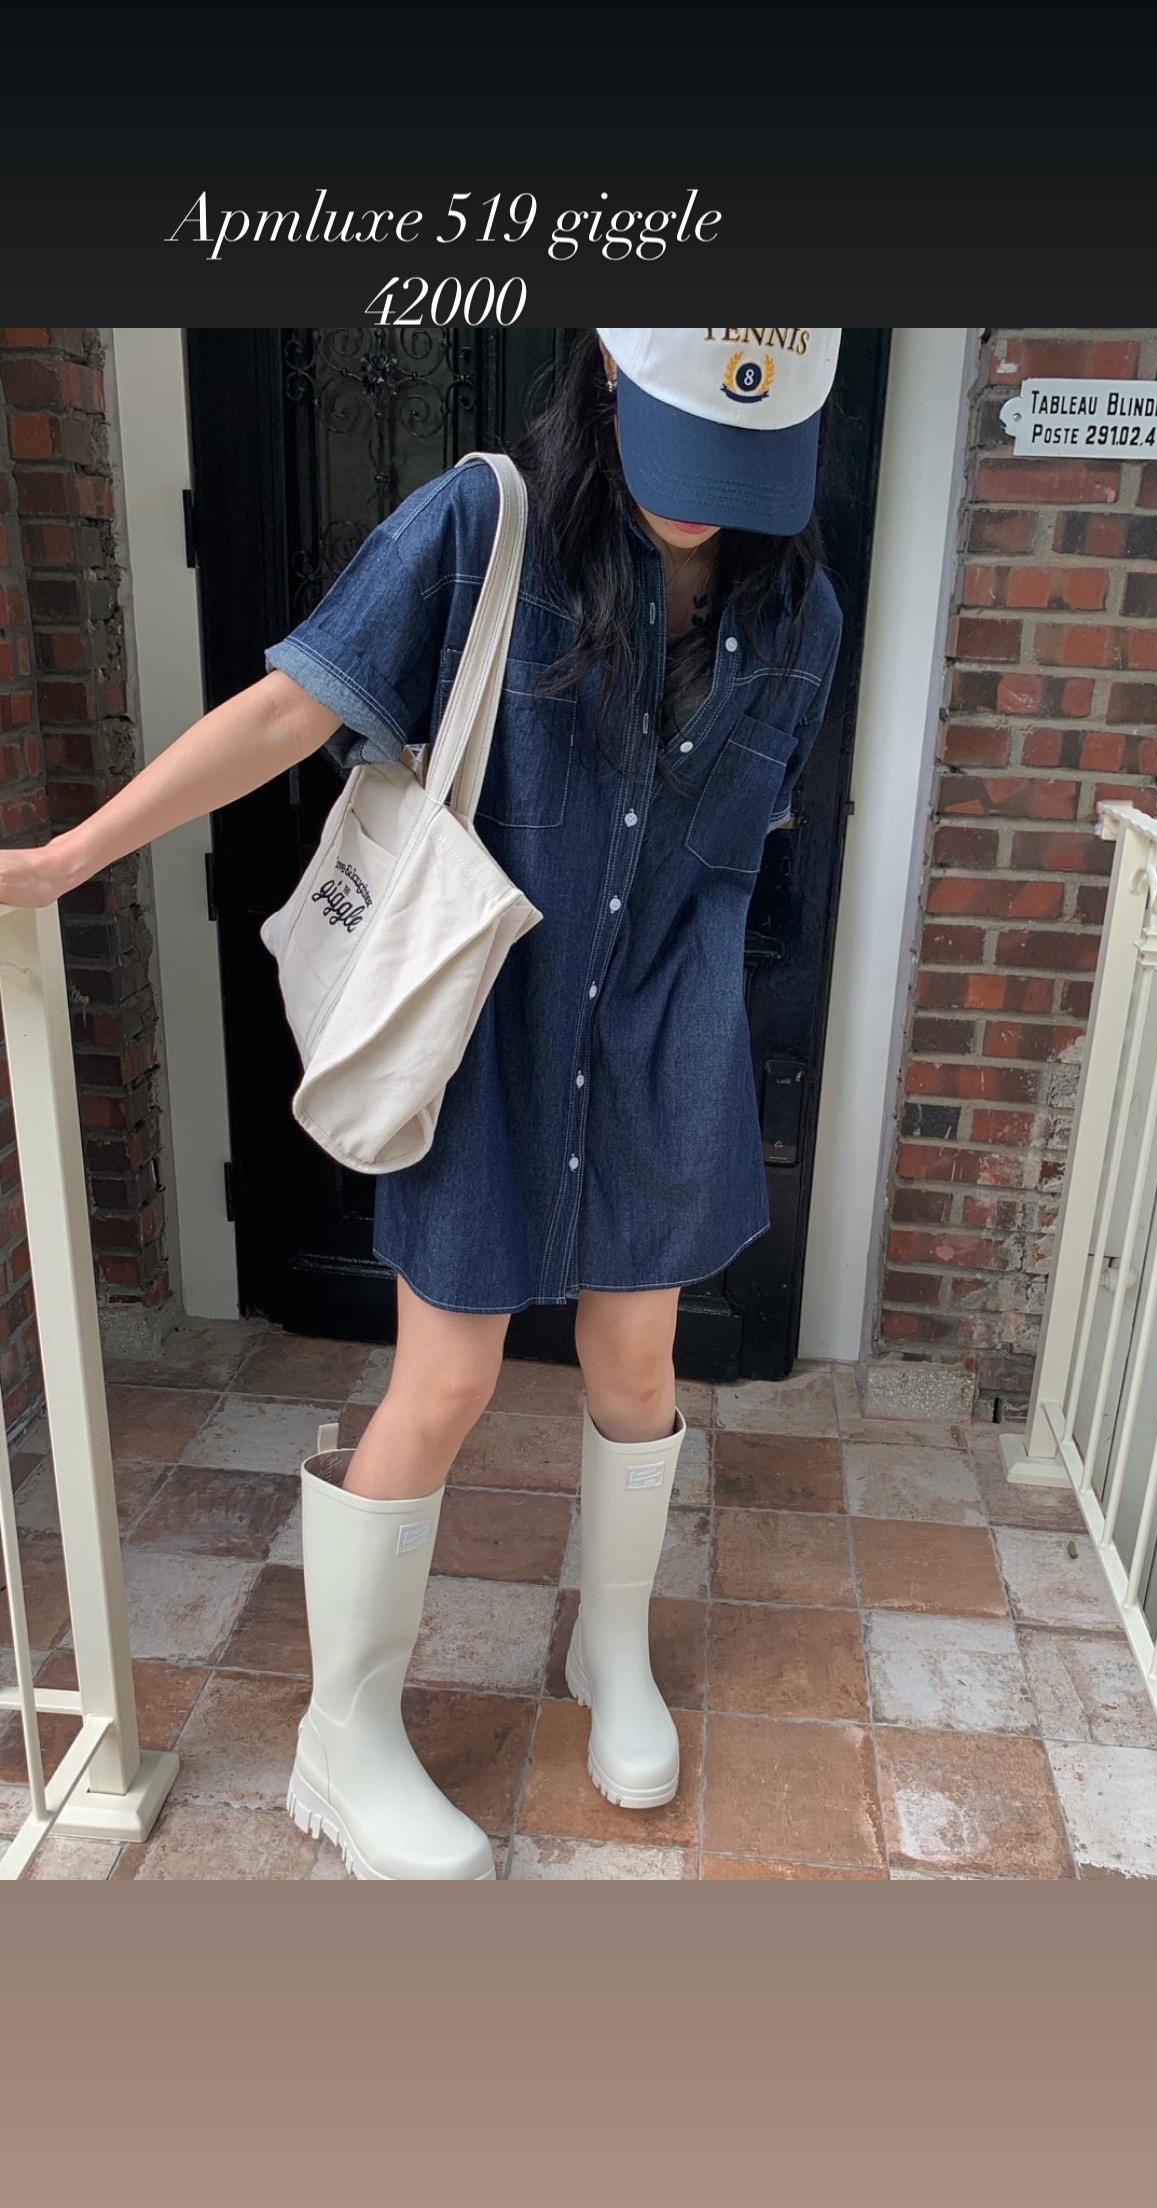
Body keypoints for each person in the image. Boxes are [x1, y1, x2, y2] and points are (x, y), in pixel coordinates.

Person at [0, 327, 844, 1880]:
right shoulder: (480, 526)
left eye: (745, 469)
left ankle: (609, 1649)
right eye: (684, 450)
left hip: (661, 1036)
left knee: (637, 1358)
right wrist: (70, 856)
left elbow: (737, 842)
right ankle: (344, 1733)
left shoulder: (799, 609)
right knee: (444, 1380)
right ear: (608, 375)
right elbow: (289, 710)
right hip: (482, 1022)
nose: (705, 502)